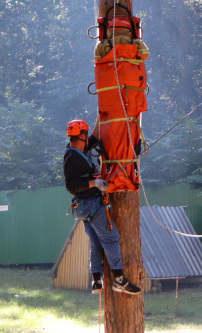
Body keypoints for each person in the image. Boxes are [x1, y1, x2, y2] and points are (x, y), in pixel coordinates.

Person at [62, 119, 141, 295]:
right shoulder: (73, 156)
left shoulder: (80, 149)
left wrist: (100, 118)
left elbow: (95, 138)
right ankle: (119, 279)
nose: (87, 136)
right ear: (81, 135)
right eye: (85, 133)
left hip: (84, 207)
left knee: (97, 242)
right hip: (91, 205)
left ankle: (97, 279)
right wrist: (95, 183)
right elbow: (71, 185)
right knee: (111, 238)